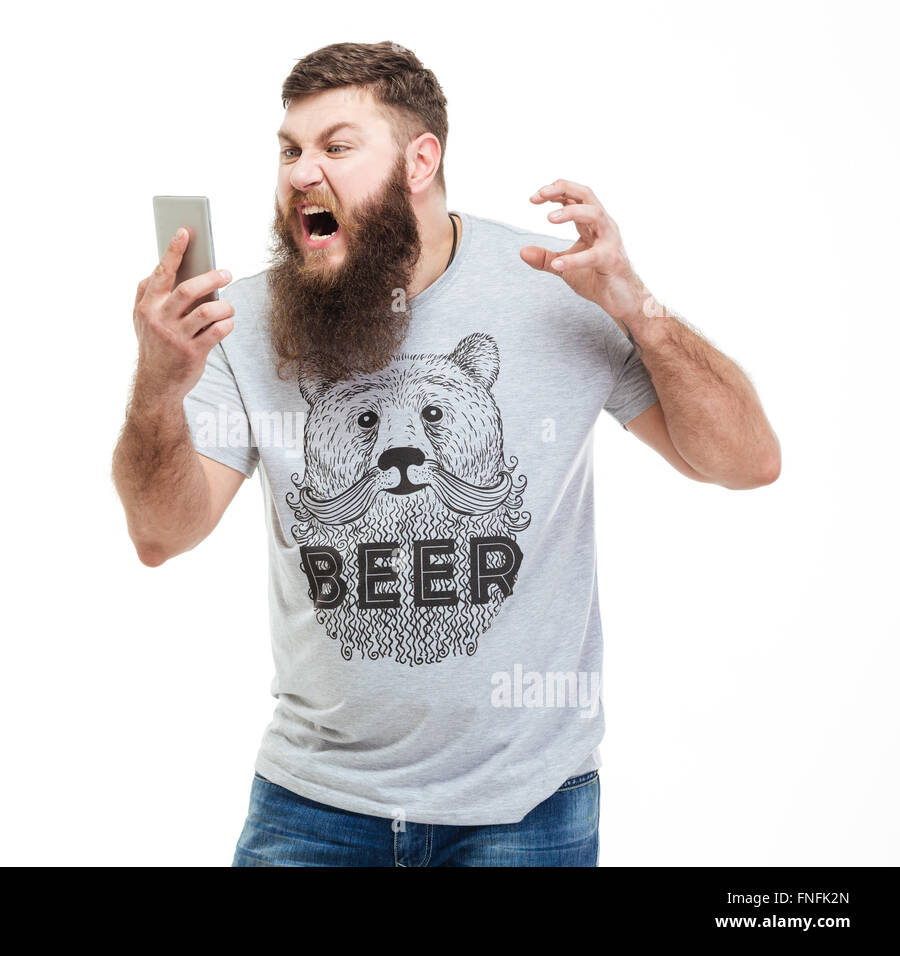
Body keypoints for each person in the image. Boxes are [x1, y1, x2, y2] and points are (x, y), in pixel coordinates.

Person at [111, 41, 780, 867]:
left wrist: (637, 307)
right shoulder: (238, 325)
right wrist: (157, 385)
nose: (298, 174)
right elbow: (160, 535)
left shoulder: (555, 291)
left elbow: (747, 462)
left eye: (336, 146)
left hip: (524, 808)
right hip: (315, 805)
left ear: (420, 160)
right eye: (289, 149)